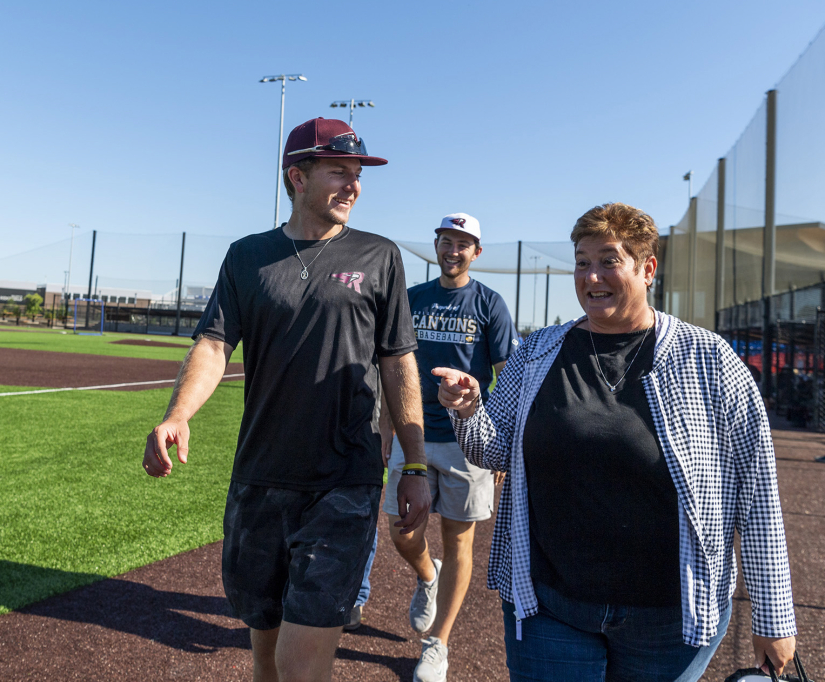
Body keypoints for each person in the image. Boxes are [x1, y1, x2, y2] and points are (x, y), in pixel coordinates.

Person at [434, 202, 797, 681]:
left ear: (647, 269)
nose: (591, 276)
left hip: (670, 619)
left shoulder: (711, 360)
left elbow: (757, 496)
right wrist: (467, 410)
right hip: (550, 604)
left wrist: (773, 618)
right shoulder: (538, 352)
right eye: (582, 262)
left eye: (609, 260)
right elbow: (492, 450)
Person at [142, 117, 431, 682]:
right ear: (297, 176)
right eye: (339, 172)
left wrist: (414, 463)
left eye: (358, 174)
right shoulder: (247, 256)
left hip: (343, 481)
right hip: (259, 479)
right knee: (266, 652)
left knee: (302, 662)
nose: (354, 185)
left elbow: (399, 362)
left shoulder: (380, 256)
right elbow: (215, 342)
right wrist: (178, 414)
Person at [379, 213, 517, 682]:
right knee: (402, 530)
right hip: (412, 435)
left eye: (463, 244)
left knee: (460, 542)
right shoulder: (412, 299)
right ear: (436, 245)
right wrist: (385, 433)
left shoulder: (490, 304)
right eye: (446, 241)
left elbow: (509, 378)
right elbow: (391, 374)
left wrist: (496, 441)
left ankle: (438, 644)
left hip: (466, 445)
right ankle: (426, 574)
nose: (452, 249)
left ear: (475, 253)